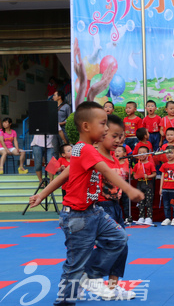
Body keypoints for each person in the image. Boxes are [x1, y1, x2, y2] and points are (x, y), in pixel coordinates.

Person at [28, 101, 144, 304]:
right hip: (77, 217)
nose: (107, 128)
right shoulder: (87, 150)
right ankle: (65, 301)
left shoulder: (80, 149)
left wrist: (42, 194)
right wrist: (129, 189)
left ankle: (90, 276)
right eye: (103, 123)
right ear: (86, 127)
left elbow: (65, 174)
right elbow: (105, 171)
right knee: (74, 266)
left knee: (119, 238)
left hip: (94, 212)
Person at [83, 114, 135, 300]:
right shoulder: (89, 154)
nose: (118, 140)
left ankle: (111, 286)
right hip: (98, 207)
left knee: (122, 245)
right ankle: (87, 278)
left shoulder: (114, 156)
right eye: (114, 135)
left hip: (115, 205)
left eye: (120, 136)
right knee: (106, 245)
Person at [133, 146, 156, 225]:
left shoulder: (150, 164)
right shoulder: (137, 165)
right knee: (140, 201)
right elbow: (134, 174)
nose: (141, 154)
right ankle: (141, 217)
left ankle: (149, 217)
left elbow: (154, 174)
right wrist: (136, 175)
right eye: (139, 153)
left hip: (148, 184)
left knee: (148, 201)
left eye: (144, 153)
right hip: (140, 183)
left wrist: (148, 176)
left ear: (147, 154)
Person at [53, 90, 71, 158]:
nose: (53, 97)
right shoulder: (53, 106)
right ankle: (57, 166)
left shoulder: (66, 106)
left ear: (59, 97)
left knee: (64, 148)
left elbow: (69, 118)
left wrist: (62, 123)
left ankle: (65, 165)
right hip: (54, 131)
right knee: (55, 150)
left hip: (63, 131)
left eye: (55, 95)